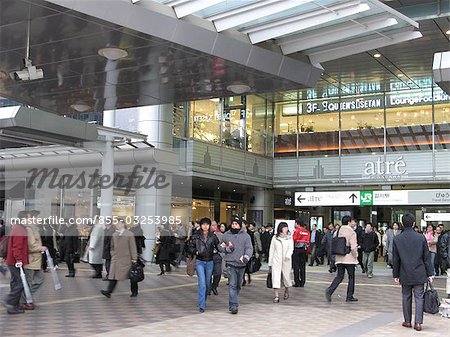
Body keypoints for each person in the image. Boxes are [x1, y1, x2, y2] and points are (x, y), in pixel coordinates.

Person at [393, 213, 433, 332]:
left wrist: (396, 275)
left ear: (402, 224)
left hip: (404, 272)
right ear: (414, 223)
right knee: (419, 297)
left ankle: (407, 321)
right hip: (419, 272)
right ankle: (418, 323)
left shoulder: (397, 239)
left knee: (406, 296)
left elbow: (395, 259)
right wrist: (430, 273)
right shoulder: (421, 238)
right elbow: (426, 257)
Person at [219, 216, 253, 314]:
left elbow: (249, 248)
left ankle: (233, 300)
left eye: (236, 224)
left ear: (240, 225)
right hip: (230, 263)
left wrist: (246, 256)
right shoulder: (226, 235)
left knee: (238, 285)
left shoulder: (246, 236)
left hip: (241, 264)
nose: (234, 226)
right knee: (232, 284)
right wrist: (227, 249)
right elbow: (221, 246)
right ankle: (233, 305)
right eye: (233, 224)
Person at [187, 217, 219, 312]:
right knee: (202, 284)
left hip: (210, 261)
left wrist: (227, 249)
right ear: (201, 225)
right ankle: (202, 305)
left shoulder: (213, 236)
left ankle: (203, 301)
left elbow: (218, 246)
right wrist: (195, 251)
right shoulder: (196, 236)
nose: (205, 226)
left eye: (207, 224)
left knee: (207, 283)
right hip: (199, 261)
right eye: (203, 224)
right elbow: (189, 247)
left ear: (209, 226)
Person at [101, 219, 138, 298]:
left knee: (132, 275)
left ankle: (134, 291)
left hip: (126, 259)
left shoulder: (129, 234)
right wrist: (112, 253)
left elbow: (133, 247)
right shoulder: (114, 234)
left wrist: (134, 258)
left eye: (118, 223)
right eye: (116, 223)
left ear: (123, 224)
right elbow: (112, 246)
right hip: (116, 259)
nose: (116, 225)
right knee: (113, 275)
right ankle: (108, 291)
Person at [325, 215, 358, 303]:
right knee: (351, 277)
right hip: (349, 258)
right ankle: (349, 296)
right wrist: (356, 256)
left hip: (339, 257)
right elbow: (353, 247)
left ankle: (330, 290)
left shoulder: (337, 231)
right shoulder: (352, 232)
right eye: (353, 221)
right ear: (349, 222)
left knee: (339, 276)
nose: (354, 223)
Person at [3, 211, 29, 314]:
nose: (30, 220)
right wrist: (19, 259)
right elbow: (17, 247)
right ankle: (9, 301)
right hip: (15, 261)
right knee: (20, 282)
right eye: (29, 218)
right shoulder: (19, 229)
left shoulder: (18, 228)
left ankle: (13, 306)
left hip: (13, 260)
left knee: (15, 282)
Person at [22, 210, 46, 310]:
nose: (39, 219)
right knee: (28, 282)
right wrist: (41, 248)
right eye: (37, 217)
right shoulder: (29, 230)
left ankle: (28, 299)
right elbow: (31, 247)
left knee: (39, 279)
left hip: (36, 260)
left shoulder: (35, 229)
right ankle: (25, 301)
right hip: (30, 260)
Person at [268, 222, 293, 302]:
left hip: (286, 261)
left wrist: (288, 255)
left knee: (286, 277)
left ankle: (286, 290)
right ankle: (276, 296)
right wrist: (270, 262)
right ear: (280, 228)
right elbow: (271, 250)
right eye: (284, 228)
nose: (286, 229)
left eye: (287, 228)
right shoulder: (275, 238)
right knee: (276, 277)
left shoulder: (289, 238)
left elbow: (291, 248)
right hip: (276, 260)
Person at [292, 219, 310, 287]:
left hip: (297, 249)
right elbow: (308, 241)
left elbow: (294, 239)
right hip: (304, 250)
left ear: (297, 223)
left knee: (296, 266)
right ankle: (302, 282)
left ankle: (297, 282)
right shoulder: (307, 231)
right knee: (302, 266)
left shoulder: (297, 230)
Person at [209, 220, 223, 296]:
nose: (215, 227)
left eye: (215, 225)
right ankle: (208, 287)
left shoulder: (220, 235)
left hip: (217, 256)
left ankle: (214, 286)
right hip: (207, 256)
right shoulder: (204, 235)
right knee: (208, 274)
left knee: (218, 273)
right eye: (213, 225)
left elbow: (222, 245)